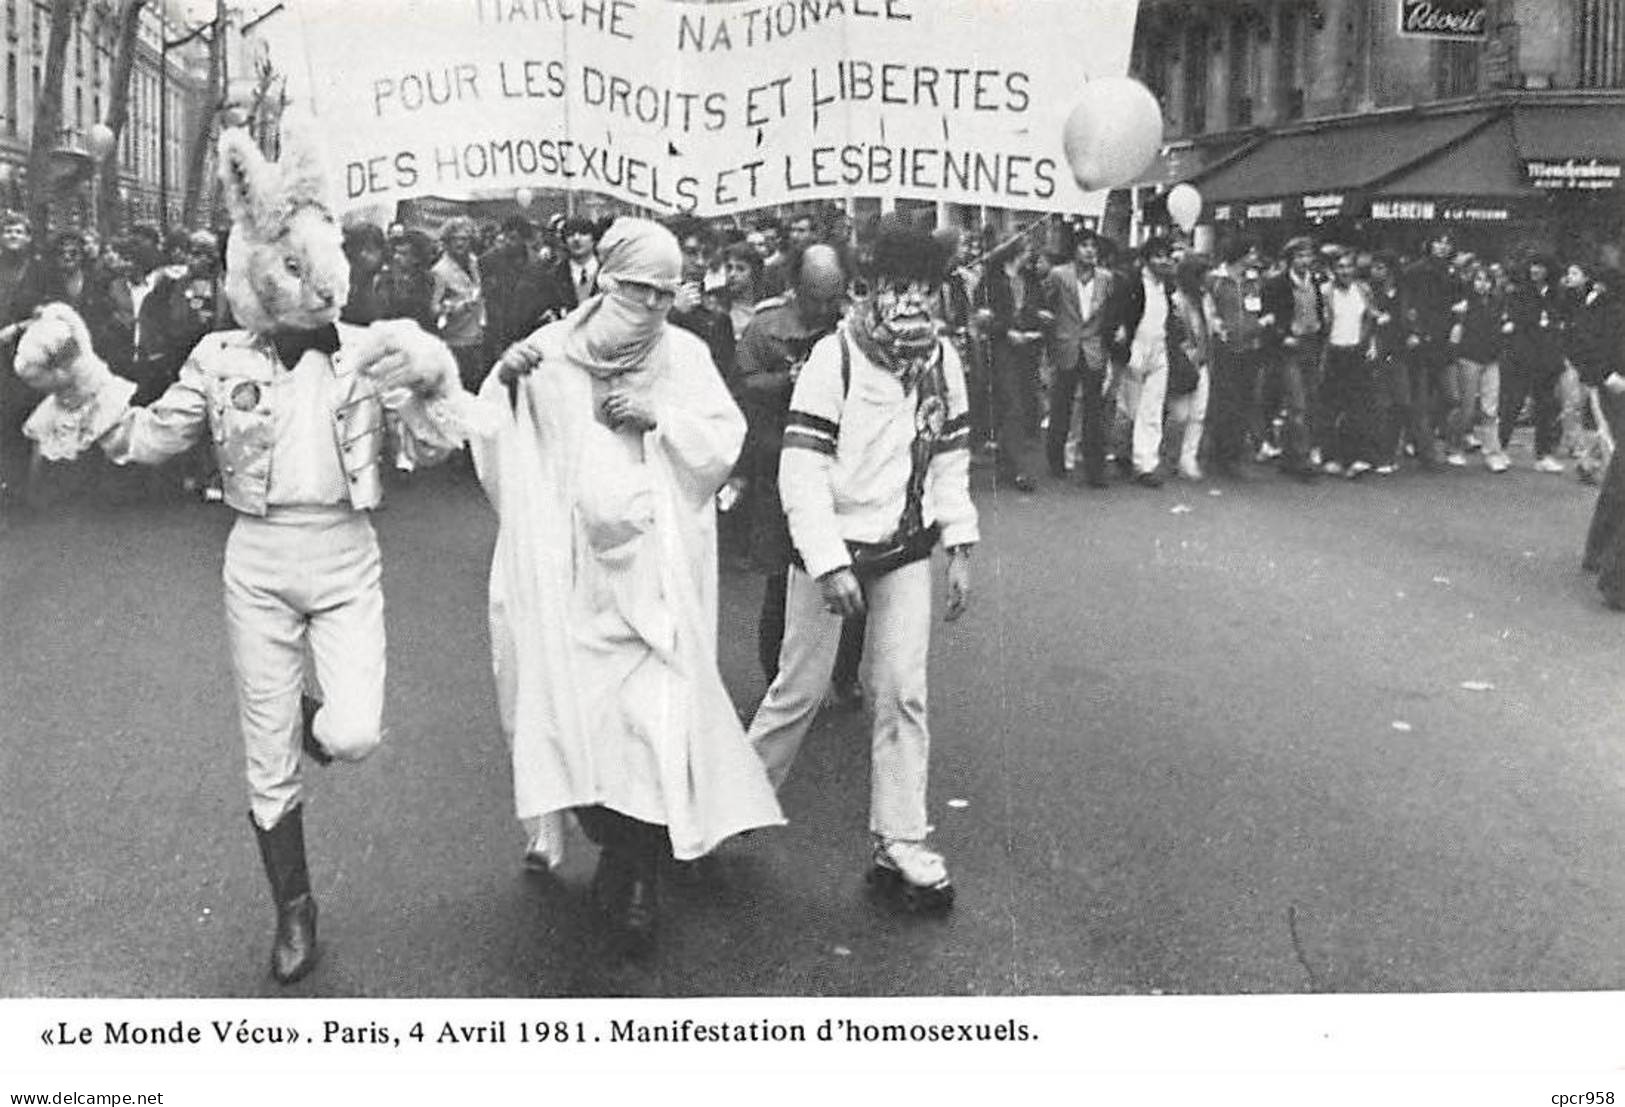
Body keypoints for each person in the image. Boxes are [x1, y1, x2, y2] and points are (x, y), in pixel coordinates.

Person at [12, 127, 486, 986]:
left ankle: (320, 721)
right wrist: (81, 374)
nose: (313, 284)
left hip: (348, 556)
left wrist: (434, 379)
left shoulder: (377, 347)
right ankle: (294, 907)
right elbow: (147, 437)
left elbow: (435, 448)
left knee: (353, 730)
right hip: (257, 561)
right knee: (267, 756)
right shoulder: (217, 355)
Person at [474, 218, 783, 957]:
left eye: (665, 293)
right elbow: (492, 438)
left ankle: (637, 875)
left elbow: (721, 438)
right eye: (638, 288)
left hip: (652, 577)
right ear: (606, 280)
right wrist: (503, 379)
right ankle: (613, 842)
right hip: (571, 579)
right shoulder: (548, 353)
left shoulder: (683, 354)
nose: (650, 305)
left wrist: (660, 416)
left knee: (649, 723)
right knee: (575, 720)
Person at [746, 216, 978, 913]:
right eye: (896, 287)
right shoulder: (833, 357)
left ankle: (899, 838)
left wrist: (959, 543)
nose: (911, 304)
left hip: (903, 545)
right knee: (798, 691)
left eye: (925, 289)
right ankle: (719, 811)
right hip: (831, 549)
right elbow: (801, 469)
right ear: (869, 290)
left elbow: (949, 457)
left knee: (901, 690)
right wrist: (826, 561)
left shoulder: (942, 359)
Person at [735, 243, 864, 702]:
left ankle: (845, 676)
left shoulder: (855, 326)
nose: (826, 308)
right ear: (795, 288)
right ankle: (777, 684)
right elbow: (744, 385)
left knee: (852, 575)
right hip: (781, 469)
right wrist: (787, 381)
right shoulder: (765, 327)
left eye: (835, 297)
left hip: (843, 468)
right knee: (782, 586)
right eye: (816, 297)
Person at [1040, 226, 1116, 488]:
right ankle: (1056, 459)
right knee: (1062, 406)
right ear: (1074, 249)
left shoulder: (1106, 278)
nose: (1090, 251)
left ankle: (1095, 469)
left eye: (1094, 246)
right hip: (1066, 346)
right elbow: (1046, 305)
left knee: (1094, 411)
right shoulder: (1059, 275)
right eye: (1085, 246)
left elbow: (1110, 313)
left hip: (1093, 347)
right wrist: (1050, 341)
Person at [1260, 236, 1326, 480]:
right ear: (1290, 259)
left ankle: (1290, 455)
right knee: (1296, 403)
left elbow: (1318, 311)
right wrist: (1282, 335)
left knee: (1309, 401)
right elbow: (1268, 316)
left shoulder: (1315, 283)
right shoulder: (1276, 284)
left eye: (1308, 256)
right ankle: (1301, 458)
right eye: (1299, 256)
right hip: (1288, 348)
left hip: (1310, 344)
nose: (1304, 261)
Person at [981, 233, 1043, 491]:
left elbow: (1035, 307)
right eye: (1026, 250)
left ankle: (1007, 460)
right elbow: (983, 316)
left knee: (1024, 403)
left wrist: (1038, 320)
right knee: (1012, 404)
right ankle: (1019, 469)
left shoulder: (1029, 280)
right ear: (1015, 251)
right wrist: (1006, 330)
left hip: (1027, 348)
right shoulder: (991, 281)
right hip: (1003, 347)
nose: (1030, 255)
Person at [1116, 236, 1180, 487]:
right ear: (1146, 259)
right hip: (1136, 348)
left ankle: (1146, 464)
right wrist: (1123, 338)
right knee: (1130, 410)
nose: (1163, 261)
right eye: (1158, 256)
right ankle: (1124, 451)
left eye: (1167, 256)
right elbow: (1121, 313)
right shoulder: (1131, 283)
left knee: (1151, 409)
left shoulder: (1167, 285)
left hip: (1159, 349)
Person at [1500, 255, 1568, 473]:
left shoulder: (1557, 295)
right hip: (1522, 357)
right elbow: (1516, 322)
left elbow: (1560, 323)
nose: (1535, 270)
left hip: (1547, 359)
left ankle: (1543, 454)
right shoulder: (1519, 293)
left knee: (1545, 407)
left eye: (1540, 266)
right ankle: (1500, 448)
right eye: (1532, 265)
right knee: (1513, 403)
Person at [1316, 250, 1377, 477]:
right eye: (1340, 267)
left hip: (1356, 352)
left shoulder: (1362, 290)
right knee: (1331, 406)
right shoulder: (1325, 292)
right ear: (1332, 271)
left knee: (1357, 406)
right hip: (1332, 353)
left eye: (1348, 266)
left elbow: (1369, 317)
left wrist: (1370, 342)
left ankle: (1356, 456)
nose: (1345, 271)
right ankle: (1330, 455)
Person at [1447, 264, 1509, 473]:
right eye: (1478, 280)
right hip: (1469, 358)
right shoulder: (1465, 305)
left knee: (1490, 408)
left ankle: (1493, 452)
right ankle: (1455, 446)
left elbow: (1500, 328)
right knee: (1466, 407)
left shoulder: (1497, 303)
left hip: (1491, 359)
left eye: (1486, 280)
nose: (1482, 285)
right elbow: (1456, 333)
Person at [430, 216, 487, 393]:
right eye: (456, 239)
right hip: (456, 341)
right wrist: (457, 306)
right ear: (447, 242)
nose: (461, 243)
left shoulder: (473, 262)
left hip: (477, 335)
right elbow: (433, 310)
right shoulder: (440, 271)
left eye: (465, 238)